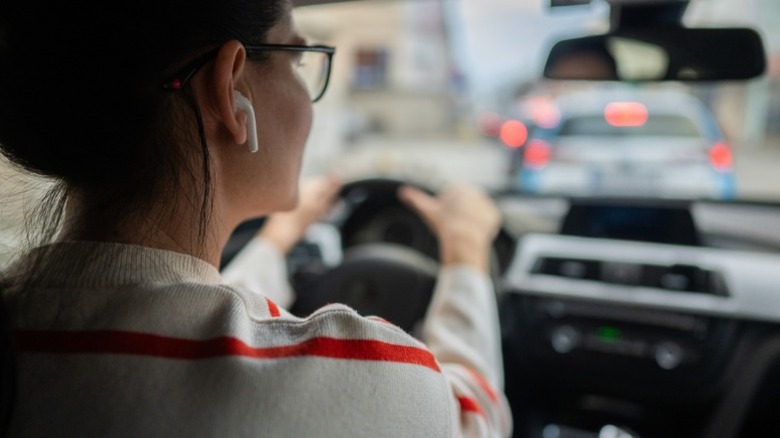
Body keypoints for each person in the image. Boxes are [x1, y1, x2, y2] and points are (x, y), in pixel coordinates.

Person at [0, 0, 512, 437]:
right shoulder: (365, 376)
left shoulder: (25, 325)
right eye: (299, 58)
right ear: (230, 87)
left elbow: (171, 312)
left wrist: (279, 239)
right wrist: (466, 251)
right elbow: (473, 416)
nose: (306, 94)